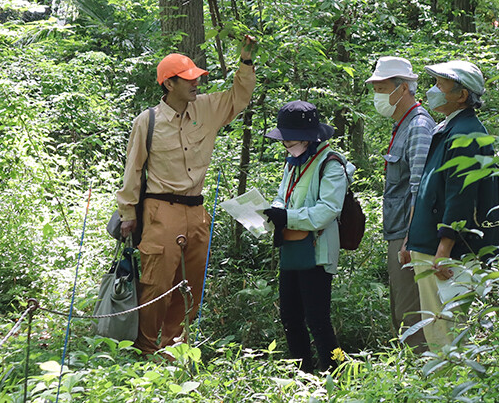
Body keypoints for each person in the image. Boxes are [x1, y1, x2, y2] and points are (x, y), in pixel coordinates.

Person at [115, 36, 256, 356]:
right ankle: (145, 348)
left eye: (197, 77)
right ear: (169, 84)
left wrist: (245, 63)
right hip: (160, 210)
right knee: (156, 283)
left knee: (190, 284)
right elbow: (133, 170)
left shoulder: (206, 108)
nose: (196, 82)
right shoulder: (147, 121)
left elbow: (239, 97)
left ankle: (175, 347)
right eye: (189, 78)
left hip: (197, 211)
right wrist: (128, 214)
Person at [403, 60, 498, 350]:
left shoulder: (466, 134)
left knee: (444, 326)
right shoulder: (451, 128)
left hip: (442, 250)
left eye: (440, 85)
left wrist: (444, 248)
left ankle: (450, 386)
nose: (432, 91)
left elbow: (461, 194)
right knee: (439, 325)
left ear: (462, 95)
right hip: (428, 242)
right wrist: (412, 238)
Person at [262, 101, 350, 373]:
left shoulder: (331, 164)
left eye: (290, 138)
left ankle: (338, 373)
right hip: (292, 247)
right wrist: (274, 211)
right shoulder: (293, 162)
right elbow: (282, 196)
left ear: (309, 137)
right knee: (289, 316)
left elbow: (328, 209)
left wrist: (287, 218)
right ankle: (303, 374)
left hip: (317, 250)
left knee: (318, 319)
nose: (286, 144)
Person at [365, 57, 435, 351]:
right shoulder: (402, 126)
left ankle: (424, 384)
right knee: (401, 312)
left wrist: (410, 238)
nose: (377, 97)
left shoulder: (419, 127)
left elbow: (420, 189)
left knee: (412, 317)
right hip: (399, 232)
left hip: (410, 236)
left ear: (403, 88)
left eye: (382, 89)